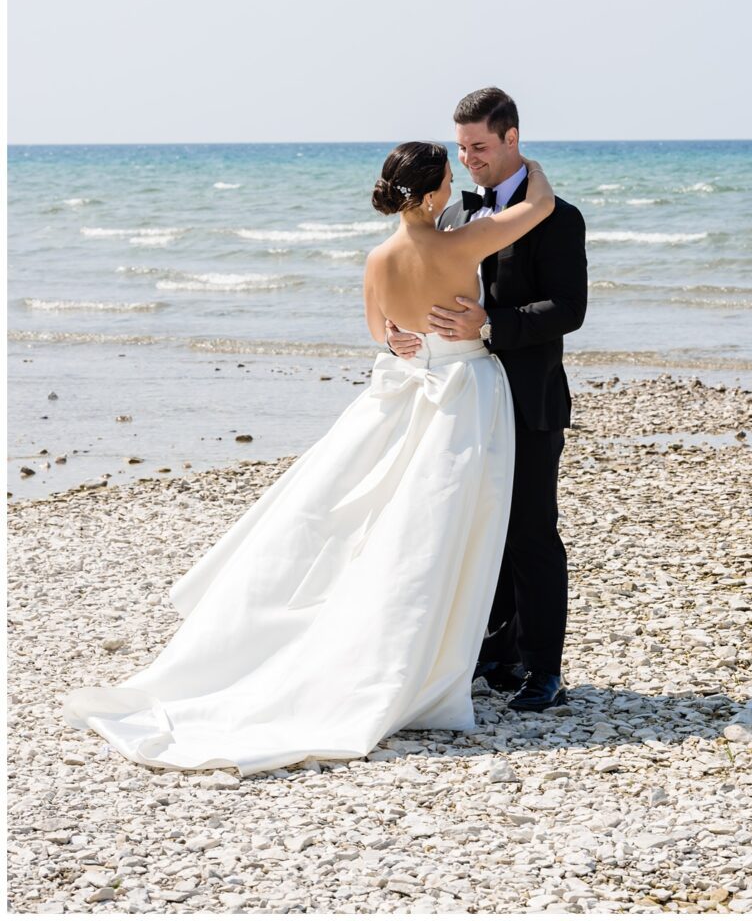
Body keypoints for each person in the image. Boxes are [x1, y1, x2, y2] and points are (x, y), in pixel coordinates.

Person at [61, 141, 556, 777]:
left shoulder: (379, 258)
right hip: (462, 396)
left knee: (383, 523)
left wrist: (403, 339)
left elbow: (381, 333)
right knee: (440, 531)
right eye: (450, 177)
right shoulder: (461, 242)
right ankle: (429, 663)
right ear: (434, 195)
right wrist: (530, 165)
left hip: (404, 391)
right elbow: (538, 207)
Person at [387, 89, 588, 712]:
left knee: (531, 531)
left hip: (528, 399)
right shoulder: (452, 216)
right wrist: (403, 333)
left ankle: (544, 673)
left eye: (479, 146)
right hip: (463, 396)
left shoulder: (559, 217)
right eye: (462, 148)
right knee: (479, 528)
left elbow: (568, 310)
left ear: (512, 139)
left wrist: (490, 325)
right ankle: (493, 658)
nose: (469, 159)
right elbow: (424, 280)